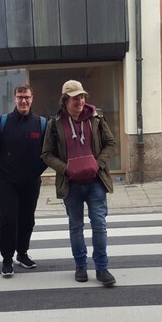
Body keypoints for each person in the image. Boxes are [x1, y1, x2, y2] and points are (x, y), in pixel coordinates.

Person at [41, 80, 117, 286]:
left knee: (99, 224)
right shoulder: (54, 124)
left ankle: (102, 268)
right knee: (76, 226)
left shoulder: (96, 118)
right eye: (76, 98)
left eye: (82, 97)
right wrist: (66, 169)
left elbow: (111, 143)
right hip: (71, 184)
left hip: (95, 182)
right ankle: (81, 266)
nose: (81, 101)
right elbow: (46, 154)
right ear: (66, 100)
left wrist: (98, 164)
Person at [0, 85, 48, 277]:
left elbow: (48, 154)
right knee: (8, 219)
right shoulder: (2, 122)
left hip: (31, 181)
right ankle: (7, 259)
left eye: (27, 97)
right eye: (20, 97)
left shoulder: (41, 124)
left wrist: (37, 171)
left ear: (32, 98)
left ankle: (22, 253)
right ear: (14, 99)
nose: (23, 101)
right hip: (6, 181)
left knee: (27, 219)